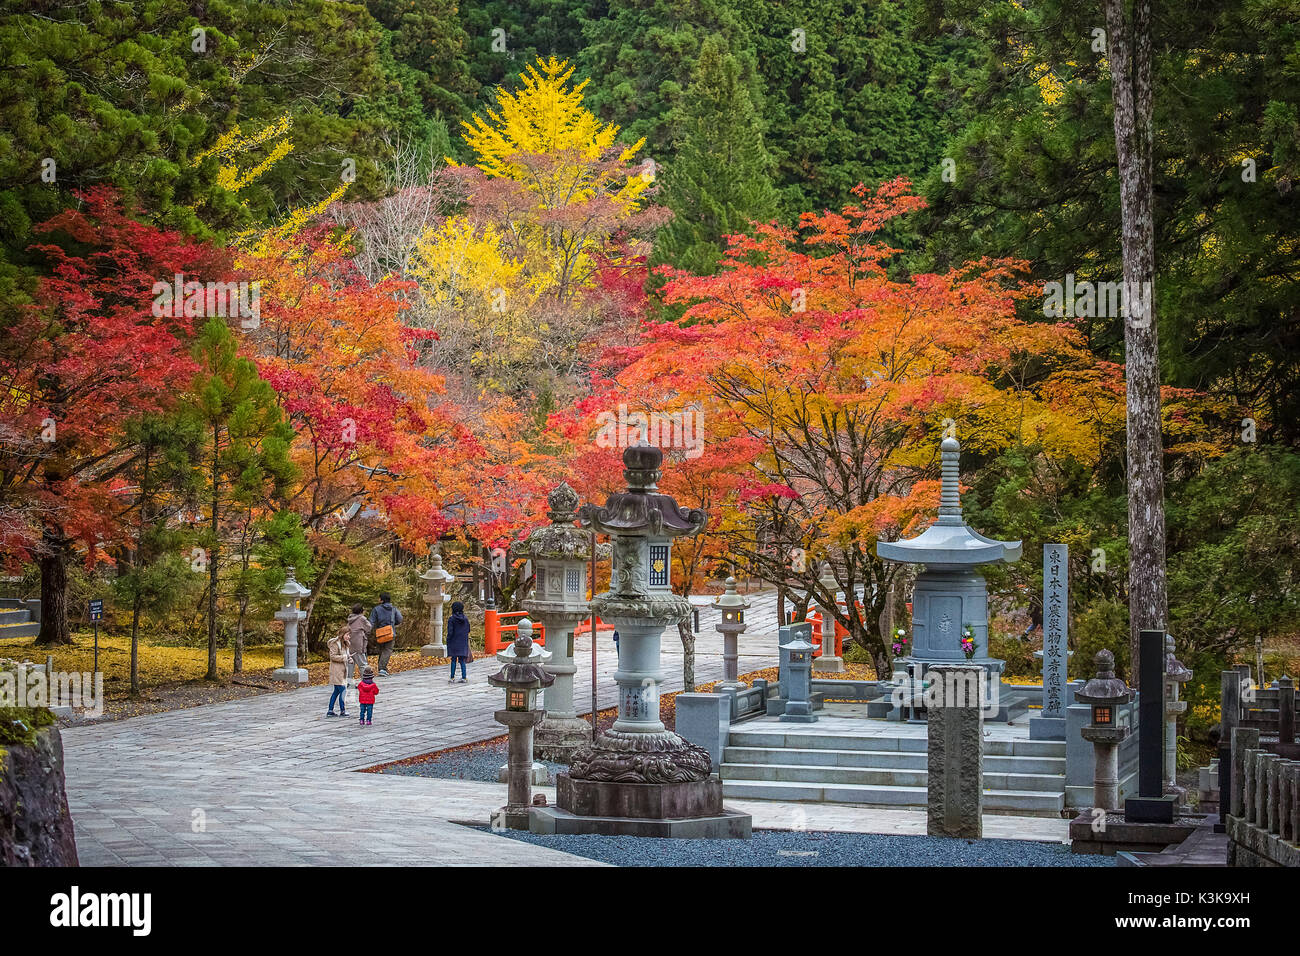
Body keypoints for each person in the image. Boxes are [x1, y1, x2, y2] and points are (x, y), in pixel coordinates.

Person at [369, 593, 403, 676]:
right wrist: (392, 624)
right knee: (387, 650)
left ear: (382, 600)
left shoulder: (376, 609)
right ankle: (382, 668)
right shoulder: (394, 609)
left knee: (381, 650)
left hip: (380, 632)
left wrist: (368, 631)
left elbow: (371, 621)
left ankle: (382, 668)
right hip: (390, 632)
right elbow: (399, 619)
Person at [326, 626, 349, 718]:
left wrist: (349, 658)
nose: (348, 637)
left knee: (336, 691)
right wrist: (344, 657)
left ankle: (330, 710)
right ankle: (342, 710)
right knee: (343, 690)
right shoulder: (335, 644)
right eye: (347, 635)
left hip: (342, 670)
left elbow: (345, 655)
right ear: (343, 634)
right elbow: (333, 656)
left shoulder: (345, 644)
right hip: (336, 670)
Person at [446, 600, 471, 684]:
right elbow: (468, 630)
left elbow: (450, 632)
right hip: (463, 642)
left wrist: (448, 639)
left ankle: (452, 677)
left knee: (453, 659)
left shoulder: (452, 619)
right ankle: (464, 677)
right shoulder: (465, 619)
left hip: (454, 641)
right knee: (462, 660)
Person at [345, 603, 371, 681]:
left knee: (350, 664)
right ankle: (366, 681)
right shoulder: (362, 618)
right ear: (361, 611)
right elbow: (369, 627)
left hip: (349, 643)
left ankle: (348, 682)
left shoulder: (350, 618)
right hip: (359, 644)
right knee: (363, 664)